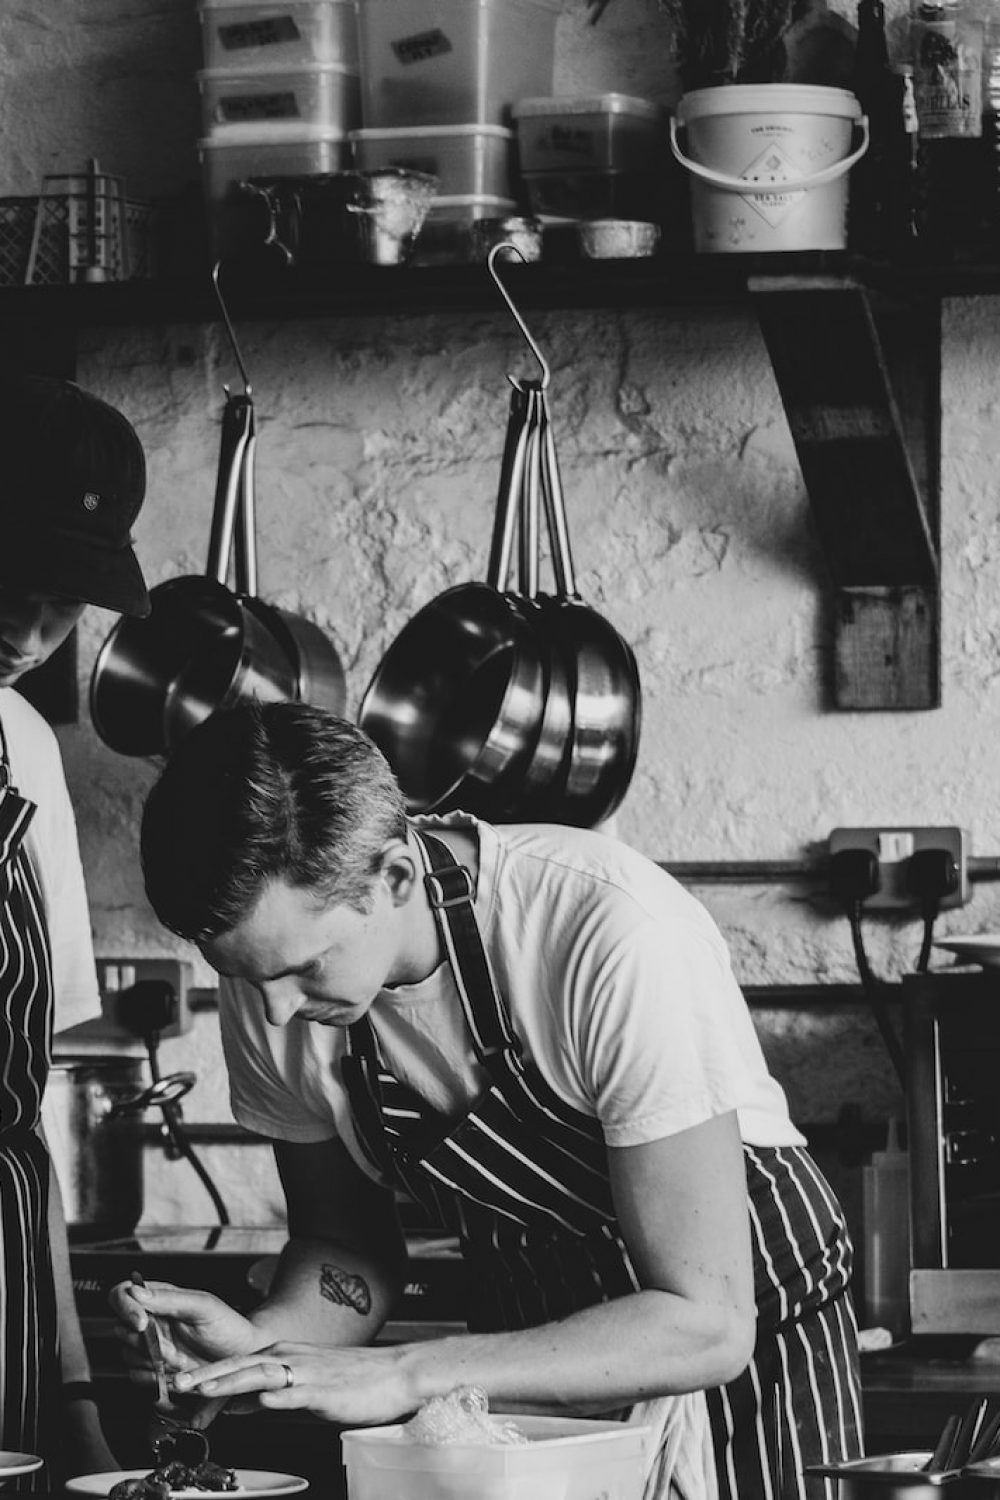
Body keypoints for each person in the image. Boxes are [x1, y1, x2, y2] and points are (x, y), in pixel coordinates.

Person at [113, 701, 863, 1500]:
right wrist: (260, 1349)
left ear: (394, 877)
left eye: (308, 967)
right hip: (529, 1357)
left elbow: (706, 1323)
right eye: (243, 977)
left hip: (746, 1350)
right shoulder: (275, 978)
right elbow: (344, 1244)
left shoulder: (609, 936)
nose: (273, 1013)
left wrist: (404, 1374)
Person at [0, 371, 151, 1489]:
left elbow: (30, 1132)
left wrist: (79, 1401)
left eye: (67, 596)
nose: (32, 624)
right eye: (12, 573)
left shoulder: (24, 752)